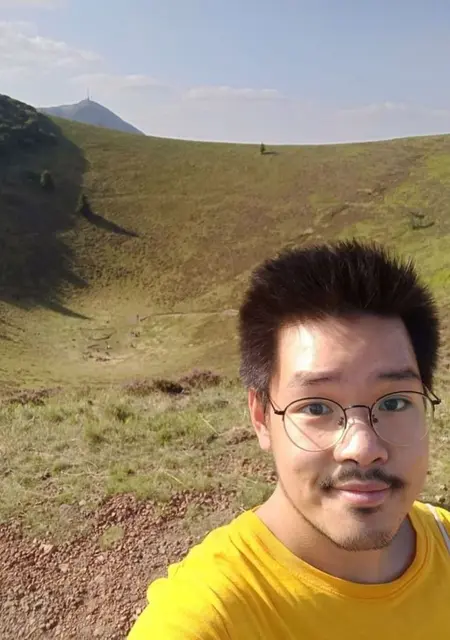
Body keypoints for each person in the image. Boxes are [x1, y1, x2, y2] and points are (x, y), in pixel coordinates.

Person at [129, 240, 450, 639]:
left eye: (395, 402)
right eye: (316, 407)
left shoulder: (445, 541)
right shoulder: (212, 617)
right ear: (261, 418)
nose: (363, 448)